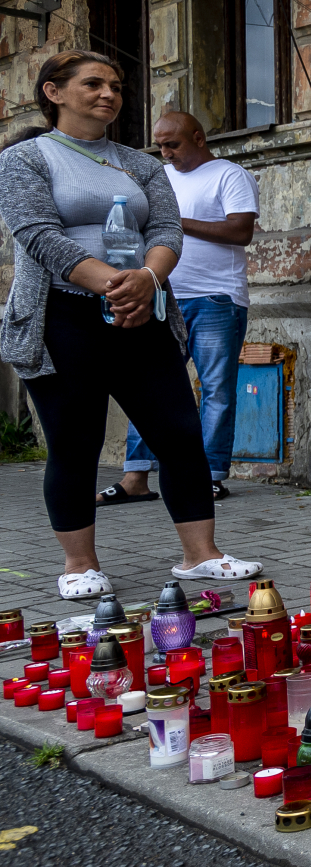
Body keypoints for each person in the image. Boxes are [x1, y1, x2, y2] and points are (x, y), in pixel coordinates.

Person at [0, 50, 263, 598]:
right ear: (54, 92)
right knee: (75, 442)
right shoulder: (26, 158)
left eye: (117, 86)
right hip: (61, 316)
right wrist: (116, 285)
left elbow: (167, 229)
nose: (109, 94)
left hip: (143, 312)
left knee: (179, 433)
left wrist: (147, 279)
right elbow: (38, 234)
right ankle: (80, 566)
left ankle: (201, 555)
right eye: (94, 84)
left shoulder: (138, 163)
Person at [96, 111, 257, 506]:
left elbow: (241, 231)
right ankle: (136, 478)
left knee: (216, 388)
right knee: (147, 385)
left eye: (173, 144)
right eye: (160, 146)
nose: (165, 153)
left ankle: (210, 476)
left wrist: (177, 223)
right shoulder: (159, 178)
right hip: (162, 295)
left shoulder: (228, 174)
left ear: (198, 138)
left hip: (216, 297)